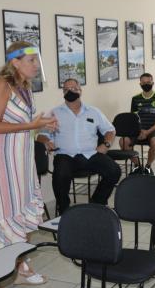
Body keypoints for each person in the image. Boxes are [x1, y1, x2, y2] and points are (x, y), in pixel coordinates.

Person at [0, 41, 58, 288]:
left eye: (37, 60)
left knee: (20, 213)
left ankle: (20, 266)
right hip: (1, 159)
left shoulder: (24, 86)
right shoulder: (1, 85)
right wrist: (31, 124)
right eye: (31, 60)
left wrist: (42, 124)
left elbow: (24, 124)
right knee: (0, 218)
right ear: (15, 62)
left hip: (21, 159)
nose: (36, 65)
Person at [37, 78, 121, 215]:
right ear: (63, 92)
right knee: (60, 176)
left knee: (114, 171)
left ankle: (97, 202)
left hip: (91, 154)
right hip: (65, 155)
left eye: (73, 88)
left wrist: (106, 145)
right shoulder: (54, 113)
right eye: (66, 89)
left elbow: (110, 130)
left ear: (80, 91)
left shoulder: (93, 111)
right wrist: (46, 141)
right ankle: (64, 210)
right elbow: (41, 135)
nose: (70, 91)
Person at [119, 73, 155, 174]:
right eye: (143, 83)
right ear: (140, 83)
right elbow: (134, 120)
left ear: (152, 83)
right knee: (123, 141)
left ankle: (148, 167)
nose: (146, 84)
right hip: (139, 130)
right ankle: (138, 166)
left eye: (148, 82)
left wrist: (147, 132)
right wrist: (140, 131)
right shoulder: (135, 99)